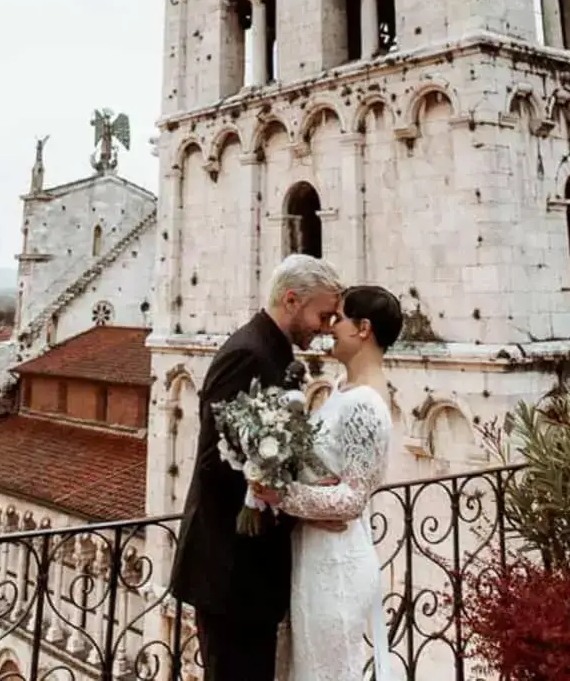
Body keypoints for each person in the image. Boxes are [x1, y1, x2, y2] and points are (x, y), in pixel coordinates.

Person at [169, 254, 343, 681]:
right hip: (230, 568)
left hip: (250, 570)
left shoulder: (273, 352)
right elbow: (216, 464)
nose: (325, 327)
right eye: (323, 314)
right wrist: (275, 491)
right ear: (290, 300)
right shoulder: (248, 353)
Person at [259, 284, 403, 681]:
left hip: (336, 562)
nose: (330, 327)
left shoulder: (366, 404)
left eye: (338, 318)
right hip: (314, 552)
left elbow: (353, 499)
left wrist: (282, 495)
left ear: (364, 329)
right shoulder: (342, 390)